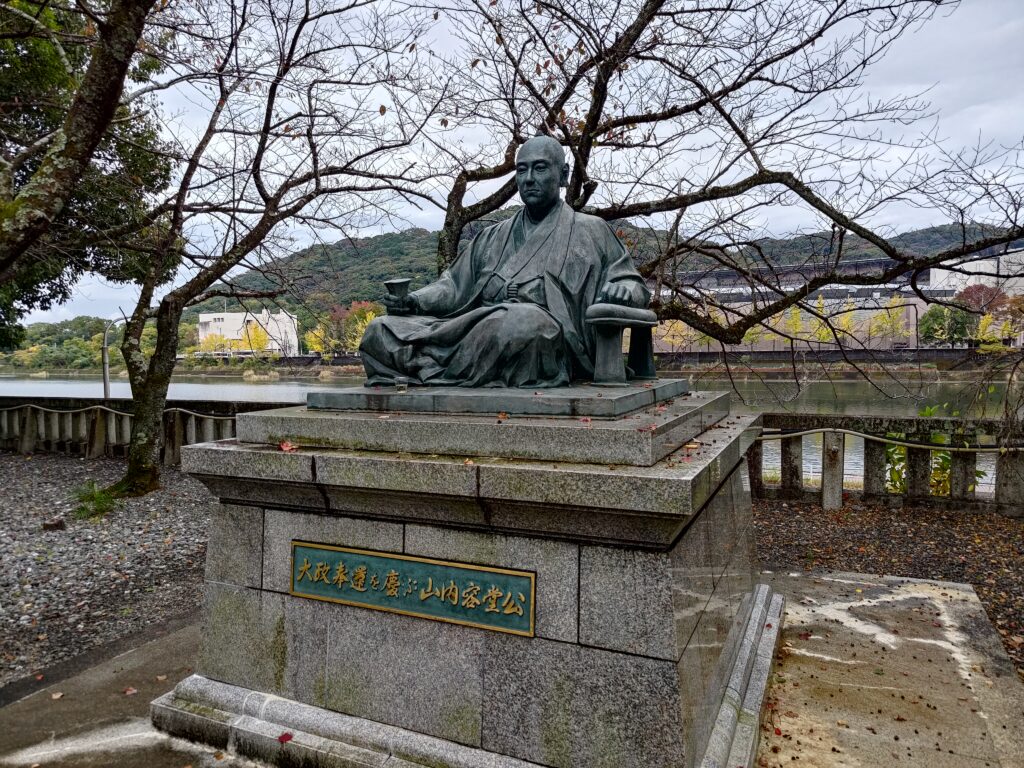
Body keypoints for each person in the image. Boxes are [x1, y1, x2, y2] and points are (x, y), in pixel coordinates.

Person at [359, 135, 650, 387]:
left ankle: (433, 366)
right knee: (380, 330)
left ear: (563, 175)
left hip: (549, 338)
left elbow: (633, 285)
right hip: (472, 329)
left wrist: (623, 289)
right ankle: (443, 366)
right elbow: (452, 286)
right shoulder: (492, 236)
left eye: (540, 168)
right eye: (521, 171)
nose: (529, 179)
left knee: (525, 323)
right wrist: (414, 302)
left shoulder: (591, 229)